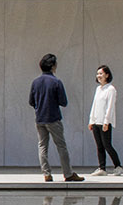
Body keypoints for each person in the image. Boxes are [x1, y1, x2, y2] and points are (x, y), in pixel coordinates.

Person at [29, 53, 83, 182]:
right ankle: (68, 173)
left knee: (42, 146)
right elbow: (63, 102)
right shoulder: (56, 82)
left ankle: (46, 173)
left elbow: (31, 101)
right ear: (53, 66)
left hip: (40, 118)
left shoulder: (35, 82)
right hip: (53, 118)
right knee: (61, 146)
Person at [87, 64, 122, 176]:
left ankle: (118, 166)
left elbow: (110, 106)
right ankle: (102, 168)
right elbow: (94, 105)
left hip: (104, 122)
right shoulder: (98, 89)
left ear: (107, 75)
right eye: (97, 74)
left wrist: (106, 121)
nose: (99, 76)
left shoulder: (111, 89)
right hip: (96, 121)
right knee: (99, 146)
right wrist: (91, 120)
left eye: (101, 73)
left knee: (107, 145)